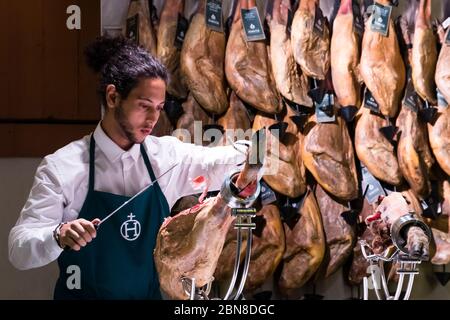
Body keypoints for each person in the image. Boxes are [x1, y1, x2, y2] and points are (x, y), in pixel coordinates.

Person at [8, 36, 247, 299]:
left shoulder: (165, 155)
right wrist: (57, 235)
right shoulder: (63, 166)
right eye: (144, 106)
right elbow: (19, 249)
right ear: (113, 97)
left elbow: (219, 162)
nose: (153, 119)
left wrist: (256, 154)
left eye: (158, 108)